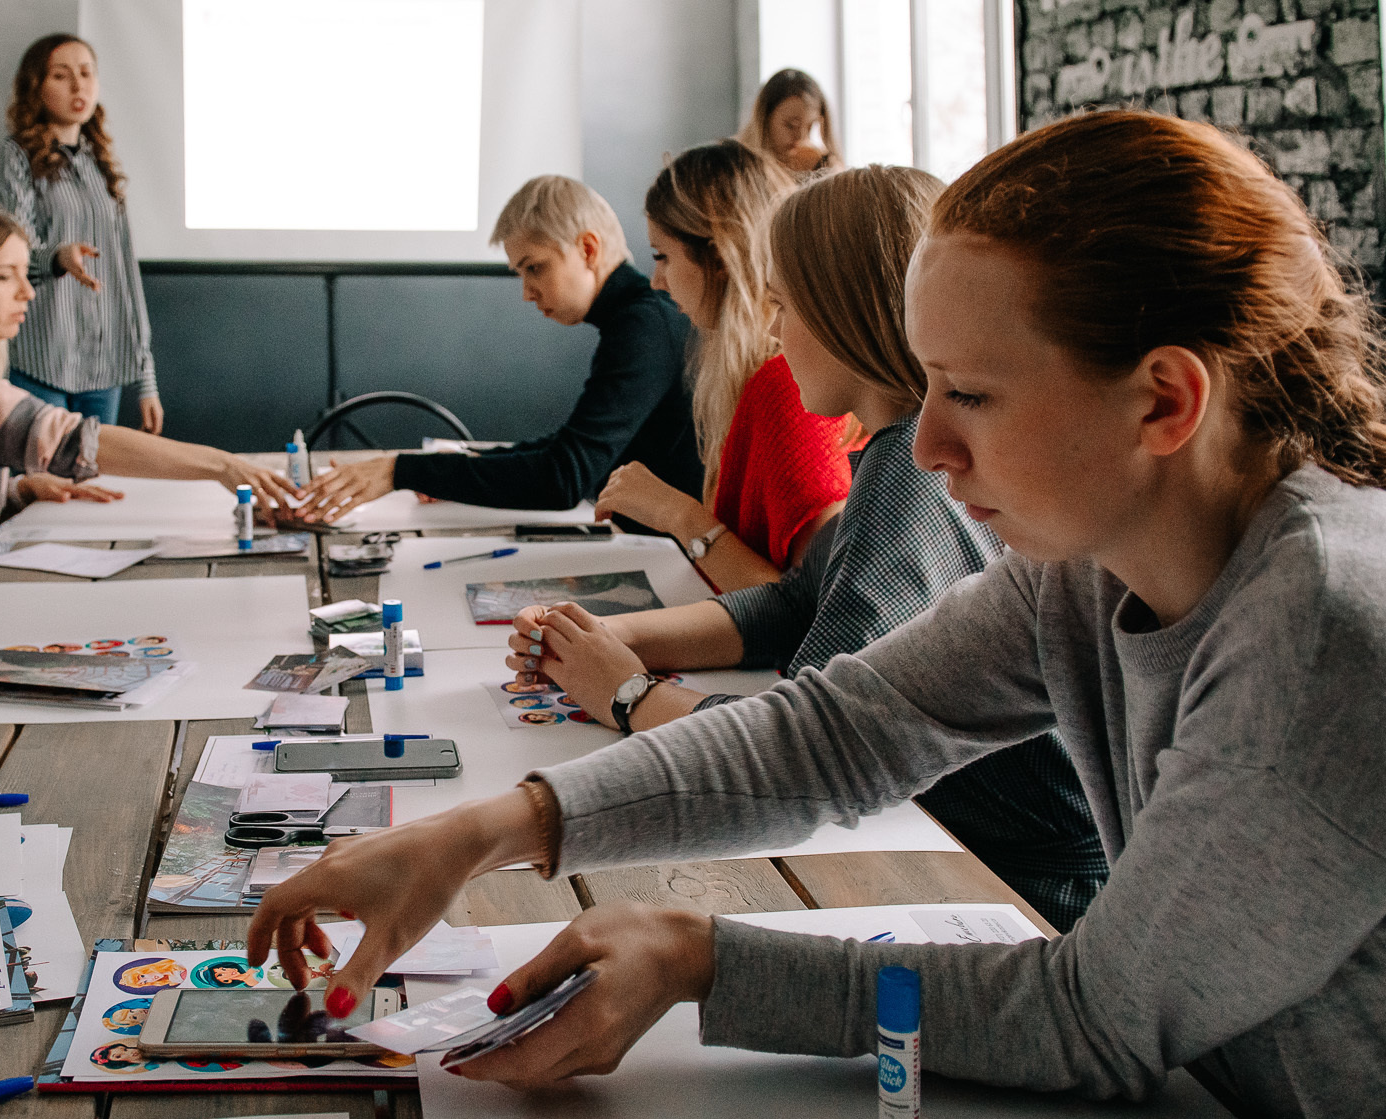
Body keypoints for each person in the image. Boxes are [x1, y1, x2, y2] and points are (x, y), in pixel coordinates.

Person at [249, 111, 1386, 1119]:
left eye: (972, 395)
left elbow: (1093, 1015)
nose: (927, 445)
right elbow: (838, 731)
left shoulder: (1317, 629)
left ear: (1164, 401)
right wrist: (481, 833)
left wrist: (701, 957)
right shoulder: (1086, 562)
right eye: (927, 386)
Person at [504, 165, 1105, 929]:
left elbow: (806, 745)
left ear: (844, 315)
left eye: (785, 306)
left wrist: (626, 694)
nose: (775, 333)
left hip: (1018, 892)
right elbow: (794, 600)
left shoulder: (913, 479)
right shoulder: (894, 454)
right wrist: (608, 637)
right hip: (951, 846)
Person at [0, 202, 291, 724]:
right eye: (2, 276)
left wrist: (20, 491)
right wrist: (221, 466)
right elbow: (69, 440)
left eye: (24, 274)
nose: (27, 292)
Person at [289, 176, 701, 528]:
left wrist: (402, 470)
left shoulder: (643, 325)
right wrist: (452, 466)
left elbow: (564, 476)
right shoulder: (637, 320)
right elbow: (568, 449)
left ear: (588, 250)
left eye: (535, 267)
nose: (526, 292)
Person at [595, 141, 852, 593]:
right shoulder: (751, 374)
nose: (657, 280)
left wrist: (675, 513)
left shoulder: (787, 385)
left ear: (717, 257)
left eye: (662, 257)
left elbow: (811, 611)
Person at [0, 33, 161, 431]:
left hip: (103, 369)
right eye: (62, 76)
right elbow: (9, 258)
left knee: (92, 486)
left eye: (86, 74)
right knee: (45, 485)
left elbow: (125, 276)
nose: (78, 86)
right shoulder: (11, 158)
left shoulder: (102, 164)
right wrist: (58, 258)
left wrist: (146, 381)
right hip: (40, 361)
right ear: (36, 87)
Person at [735, 68, 838, 176]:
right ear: (764, 119)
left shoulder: (820, 165)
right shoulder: (734, 166)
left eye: (810, 126)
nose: (801, 136)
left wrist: (831, 167)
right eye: (791, 125)